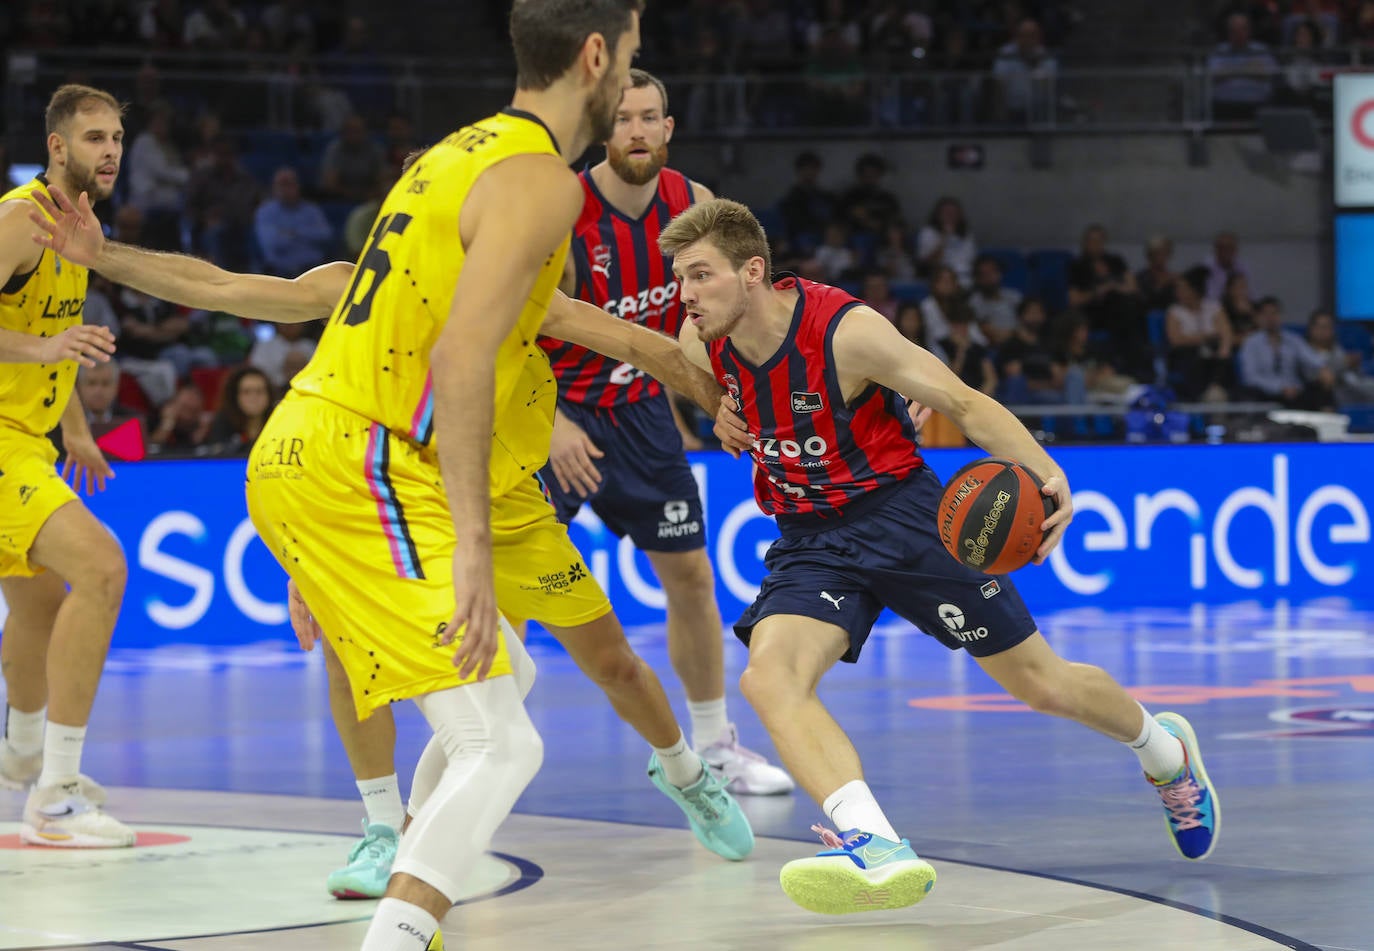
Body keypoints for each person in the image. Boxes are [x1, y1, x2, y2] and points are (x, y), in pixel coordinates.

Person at [28, 7, 753, 940]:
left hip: (307, 454)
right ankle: (398, 911)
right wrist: (475, 553)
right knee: (504, 742)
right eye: (636, 58)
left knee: (511, 686)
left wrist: (704, 377)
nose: (635, 91)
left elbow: (606, 331)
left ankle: (425, 850)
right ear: (598, 56)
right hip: (366, 460)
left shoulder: (452, 158)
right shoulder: (538, 184)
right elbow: (457, 363)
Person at [661, 198, 1219, 915]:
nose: (686, 295)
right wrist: (714, 403)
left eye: (700, 276)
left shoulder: (845, 331)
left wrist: (1052, 478)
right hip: (810, 536)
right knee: (770, 677)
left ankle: (1164, 752)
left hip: (906, 517)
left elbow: (963, 401)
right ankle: (876, 846)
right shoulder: (703, 335)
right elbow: (678, 352)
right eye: (681, 279)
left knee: (1043, 685)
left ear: (754, 273)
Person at [537, 68, 791, 797]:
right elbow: (511, 329)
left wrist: (712, 400)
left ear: (669, 128)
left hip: (643, 415)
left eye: (650, 117)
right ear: (600, 129)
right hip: (552, 415)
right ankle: (481, 749)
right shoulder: (563, 209)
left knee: (691, 577)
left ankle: (713, 746)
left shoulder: (696, 205)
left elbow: (707, 320)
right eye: (623, 120)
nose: (638, 131)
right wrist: (553, 424)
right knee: (512, 594)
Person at [0, 84, 133, 848]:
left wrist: (74, 424)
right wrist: (47, 352)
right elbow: (43, 339)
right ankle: (55, 795)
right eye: (92, 138)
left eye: (116, 136)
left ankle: (22, 748)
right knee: (103, 569)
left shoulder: (82, 226)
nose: (110, 150)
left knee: (38, 604)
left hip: (29, 435)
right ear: (57, 147)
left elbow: (52, 330)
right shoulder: (23, 218)